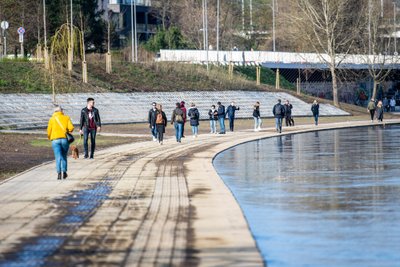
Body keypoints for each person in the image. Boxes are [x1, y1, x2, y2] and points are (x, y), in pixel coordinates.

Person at [47, 106, 74, 180]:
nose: (63, 111)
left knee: (58, 157)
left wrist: (50, 137)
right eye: (62, 109)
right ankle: (64, 172)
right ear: (60, 111)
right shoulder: (66, 118)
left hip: (55, 140)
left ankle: (59, 174)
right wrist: (68, 131)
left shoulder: (51, 119)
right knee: (64, 156)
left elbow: (49, 130)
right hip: (64, 139)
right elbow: (71, 128)